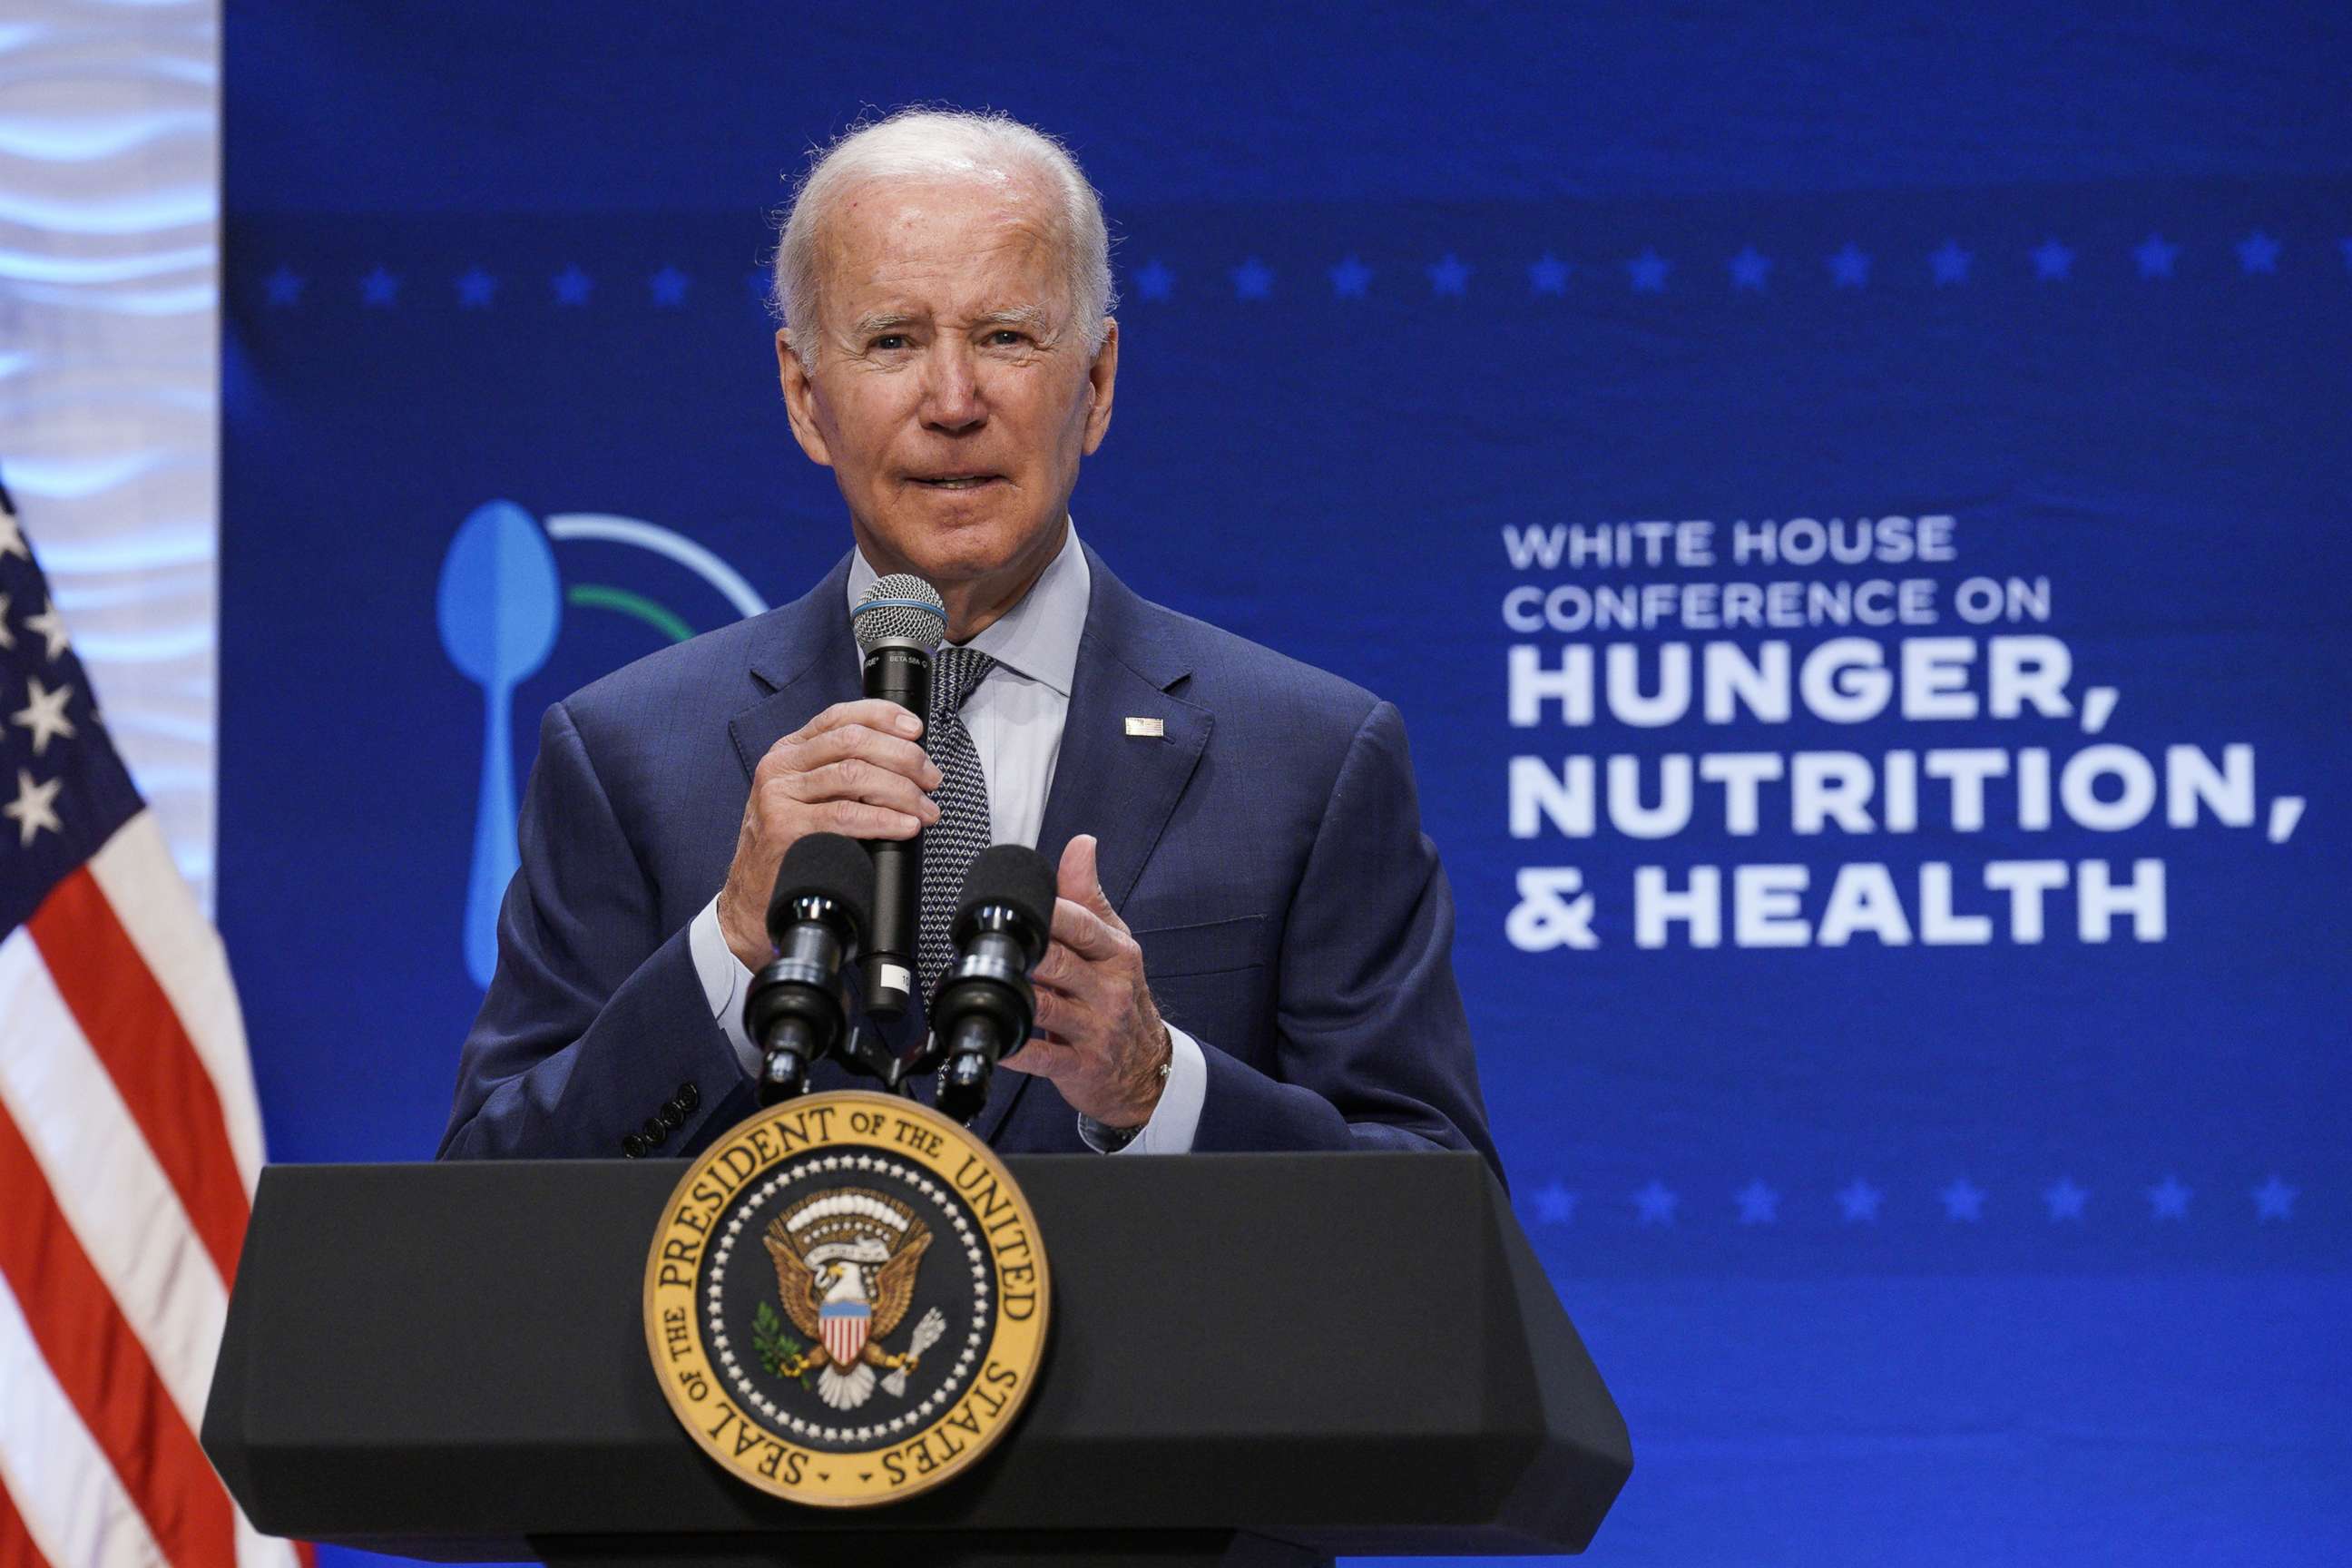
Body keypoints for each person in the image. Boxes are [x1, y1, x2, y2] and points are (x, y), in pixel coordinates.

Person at [439, 108, 1496, 1172]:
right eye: (893, 340)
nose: (954, 401)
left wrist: (1155, 1086)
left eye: (1005, 337)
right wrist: (728, 946)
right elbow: (484, 1204)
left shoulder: (1310, 760)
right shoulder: (627, 757)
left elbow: (1442, 1208)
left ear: (1095, 383)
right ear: (807, 398)